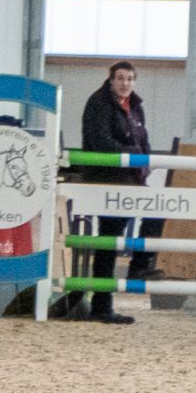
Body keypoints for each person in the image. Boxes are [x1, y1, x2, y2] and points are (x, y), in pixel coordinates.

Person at [67, 60, 155, 324]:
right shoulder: (99, 103)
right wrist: (137, 155)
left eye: (129, 79)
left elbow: (143, 138)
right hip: (108, 180)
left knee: (147, 218)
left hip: (130, 180)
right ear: (111, 80)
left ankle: (140, 266)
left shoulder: (136, 106)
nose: (125, 83)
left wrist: (143, 158)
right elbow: (101, 141)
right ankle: (103, 303)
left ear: (134, 81)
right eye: (120, 78)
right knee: (109, 241)